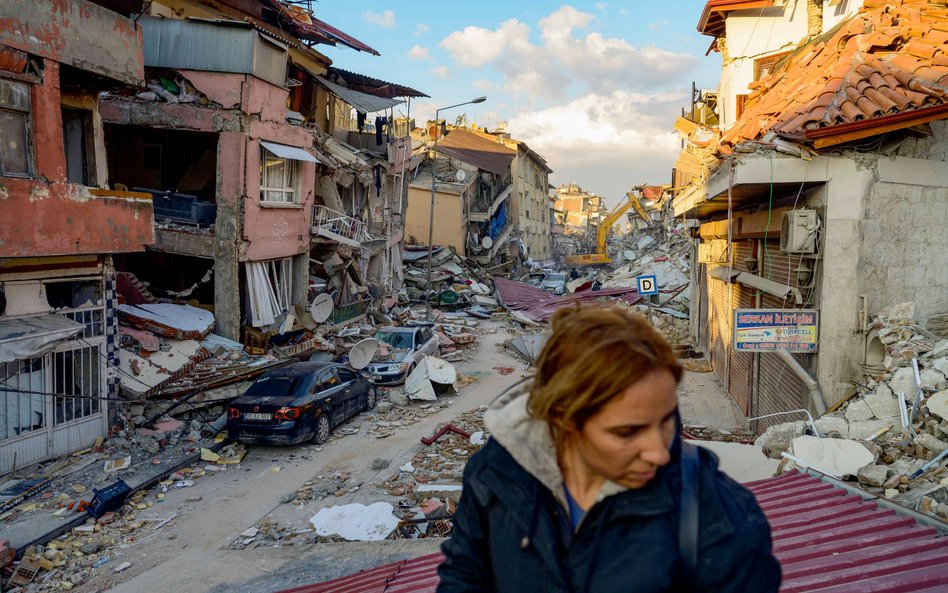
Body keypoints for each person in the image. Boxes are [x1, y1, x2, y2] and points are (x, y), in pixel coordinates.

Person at [437, 306, 781, 593]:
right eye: (628, 432)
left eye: (665, 420)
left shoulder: (716, 514)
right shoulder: (496, 475)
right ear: (564, 421)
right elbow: (464, 577)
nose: (659, 453)